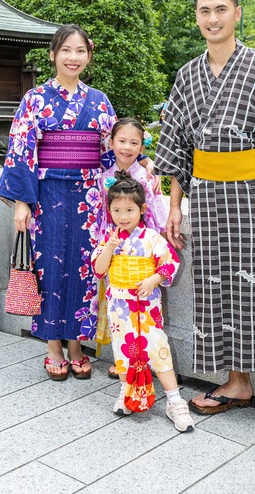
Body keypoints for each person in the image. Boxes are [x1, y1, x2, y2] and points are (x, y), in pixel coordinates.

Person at [152, 0, 255, 449]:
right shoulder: (187, 75)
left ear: (237, 13)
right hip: (207, 196)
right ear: (196, 17)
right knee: (216, 290)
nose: (213, 19)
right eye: (204, 11)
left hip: (254, 198)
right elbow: (176, 145)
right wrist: (175, 206)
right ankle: (238, 383)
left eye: (221, 9)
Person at [0, 24, 116, 381]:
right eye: (66, 50)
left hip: (89, 197)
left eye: (80, 51)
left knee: (85, 268)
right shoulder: (35, 98)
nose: (73, 57)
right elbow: (22, 150)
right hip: (47, 195)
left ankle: (77, 345)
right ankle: (52, 346)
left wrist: (138, 171)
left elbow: (111, 152)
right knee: (48, 267)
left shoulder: (99, 101)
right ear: (53, 54)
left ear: (88, 56)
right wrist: (22, 201)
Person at [90, 175, 195, 433]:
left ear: (142, 209)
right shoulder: (109, 238)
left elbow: (170, 264)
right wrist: (109, 248)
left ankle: (174, 400)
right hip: (119, 307)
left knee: (158, 349)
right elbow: (99, 270)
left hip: (146, 306)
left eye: (129, 210)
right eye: (116, 210)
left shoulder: (151, 238)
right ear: (109, 210)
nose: (122, 216)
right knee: (123, 352)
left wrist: (154, 278)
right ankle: (127, 392)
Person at [93, 117, 168, 378]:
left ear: (142, 145)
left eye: (134, 143)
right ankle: (124, 359)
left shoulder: (147, 175)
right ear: (111, 143)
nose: (127, 147)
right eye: (121, 141)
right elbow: (102, 215)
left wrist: (162, 239)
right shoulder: (104, 175)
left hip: (143, 250)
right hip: (115, 247)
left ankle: (146, 359)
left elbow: (156, 213)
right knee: (118, 309)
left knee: (145, 307)